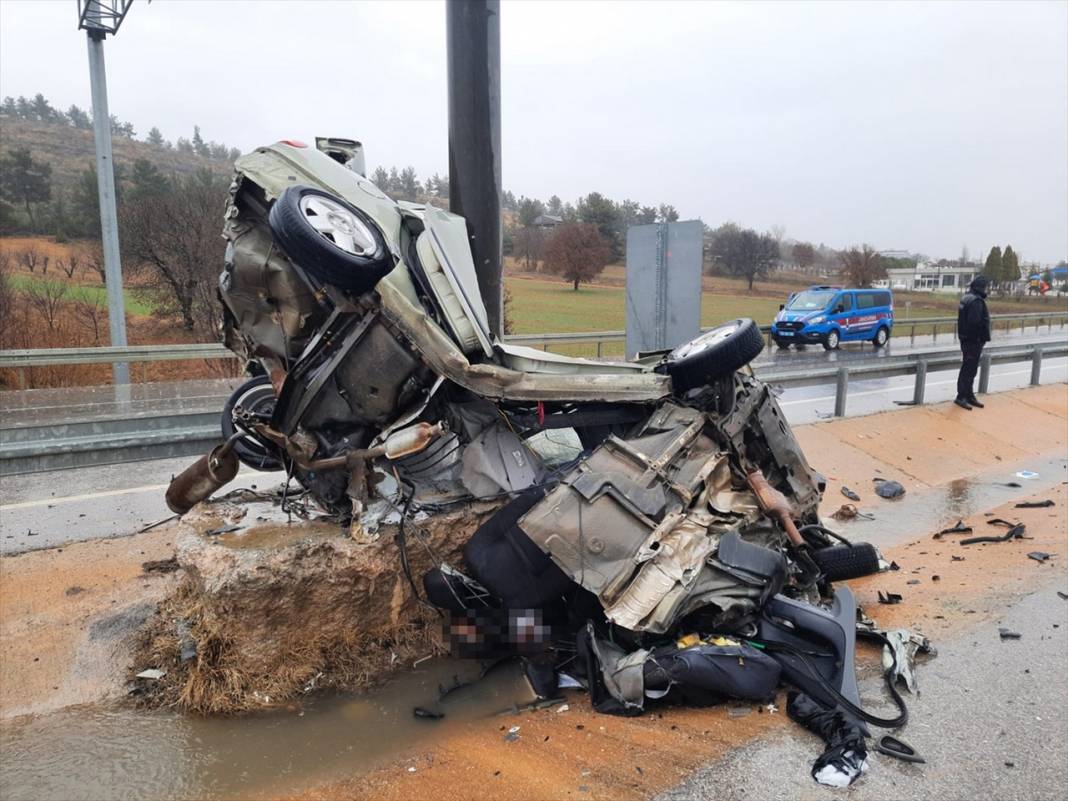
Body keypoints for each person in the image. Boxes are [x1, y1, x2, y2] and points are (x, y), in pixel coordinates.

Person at [955, 275, 991, 410]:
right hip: (973, 341)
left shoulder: (966, 297)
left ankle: (969, 394)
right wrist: (980, 338)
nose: (986, 289)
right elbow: (975, 323)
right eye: (985, 287)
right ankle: (962, 396)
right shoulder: (976, 301)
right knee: (969, 369)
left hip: (966, 339)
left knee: (969, 368)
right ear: (980, 287)